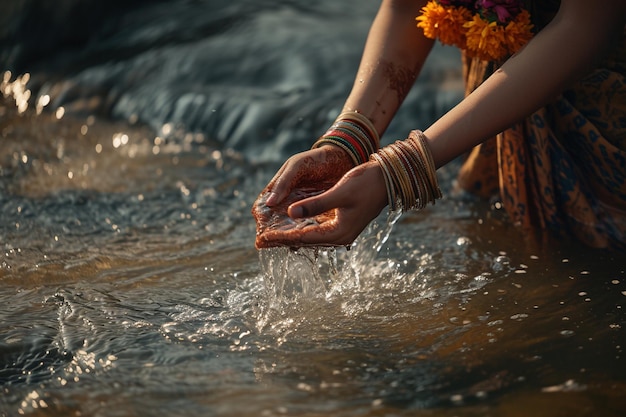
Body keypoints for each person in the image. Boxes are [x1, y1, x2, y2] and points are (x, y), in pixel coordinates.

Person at [252, 0, 626, 251]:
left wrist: (399, 171)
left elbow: (586, 26)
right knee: (507, 240)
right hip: (495, 100)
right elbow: (407, 9)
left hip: (603, 100)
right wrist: (347, 142)